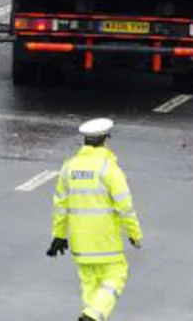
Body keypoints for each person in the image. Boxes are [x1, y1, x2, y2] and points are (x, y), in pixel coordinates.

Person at [47, 117, 143, 321]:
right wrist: (135, 235)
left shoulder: (69, 167)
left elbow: (60, 206)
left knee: (90, 286)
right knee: (116, 276)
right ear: (106, 139)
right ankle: (91, 316)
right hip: (106, 242)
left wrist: (59, 236)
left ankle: (90, 315)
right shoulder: (109, 169)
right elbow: (125, 207)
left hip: (80, 245)